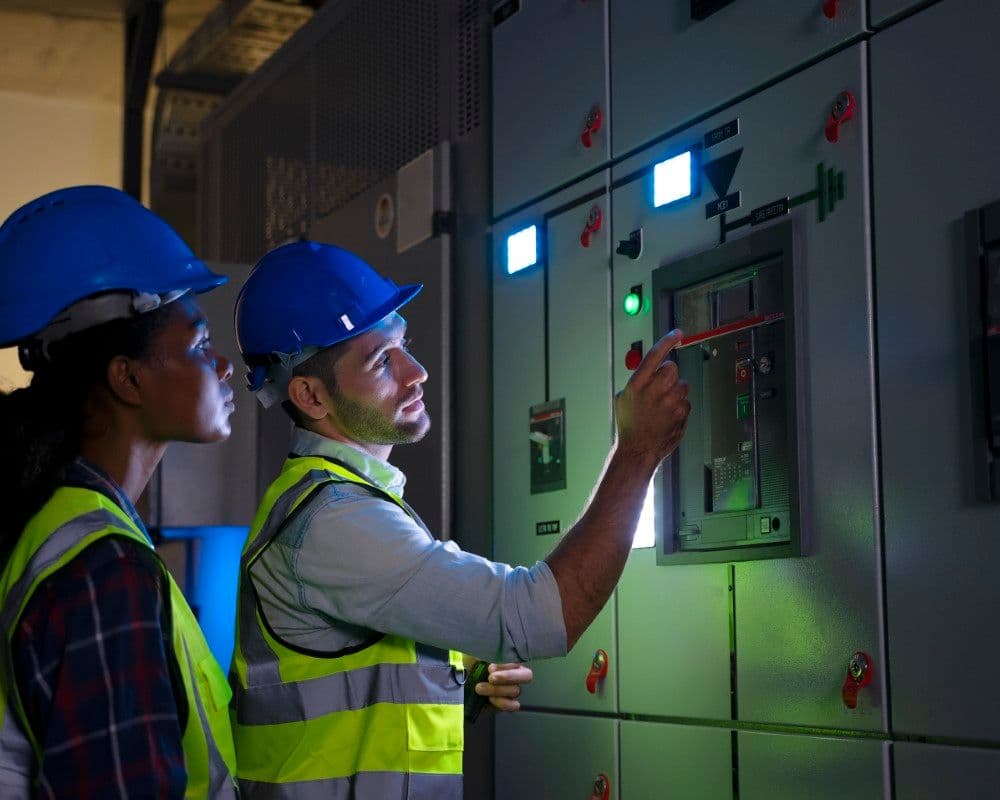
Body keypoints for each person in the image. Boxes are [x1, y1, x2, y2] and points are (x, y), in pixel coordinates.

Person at [229, 240, 690, 799]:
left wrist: (457, 677)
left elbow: (350, 680)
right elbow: (543, 613)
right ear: (310, 394)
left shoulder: (344, 502)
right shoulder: (333, 520)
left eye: (406, 345)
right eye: (382, 361)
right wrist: (637, 452)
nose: (417, 373)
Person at [0, 186, 239, 798]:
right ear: (127, 378)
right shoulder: (101, 569)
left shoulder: (58, 524)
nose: (224, 366)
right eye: (200, 344)